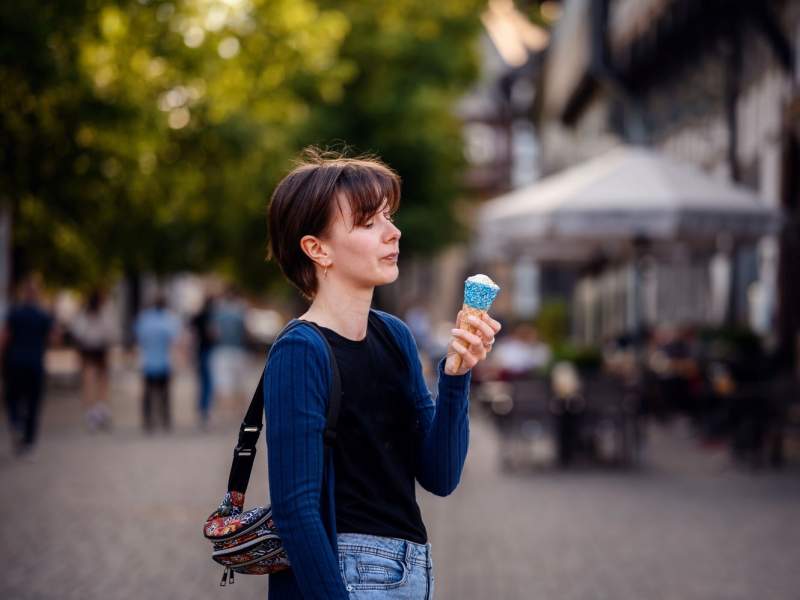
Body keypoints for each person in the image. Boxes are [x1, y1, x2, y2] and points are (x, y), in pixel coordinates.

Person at [263, 149, 500, 599]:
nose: (394, 233)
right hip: (344, 574)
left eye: (389, 218)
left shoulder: (395, 337)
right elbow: (296, 510)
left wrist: (457, 375)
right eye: (369, 223)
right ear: (318, 249)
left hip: (411, 571)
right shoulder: (300, 351)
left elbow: (441, 474)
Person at [0, 276, 56, 456]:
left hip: (15, 362)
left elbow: (4, 339)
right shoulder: (43, 315)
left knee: (13, 398)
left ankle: (16, 422)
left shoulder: (14, 313)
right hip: (35, 363)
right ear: (37, 294)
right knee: (33, 402)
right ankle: (29, 441)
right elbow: (54, 338)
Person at [134, 294, 181, 432]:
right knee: (164, 395)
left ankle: (148, 421)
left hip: (148, 362)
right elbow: (175, 340)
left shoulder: (144, 319)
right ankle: (165, 420)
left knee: (148, 394)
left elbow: (139, 337)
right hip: (164, 362)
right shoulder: (169, 319)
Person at [71, 290, 114, 431]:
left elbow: (78, 332)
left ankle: (93, 413)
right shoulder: (103, 314)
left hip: (89, 349)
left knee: (89, 382)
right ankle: (100, 411)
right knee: (101, 382)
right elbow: (110, 332)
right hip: (98, 349)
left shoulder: (84, 315)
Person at [211, 288, 248, 410]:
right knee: (239, 384)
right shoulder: (241, 311)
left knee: (222, 386)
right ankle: (238, 411)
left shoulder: (218, 313)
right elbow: (245, 332)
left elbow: (214, 333)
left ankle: (224, 412)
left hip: (222, 351)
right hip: (238, 350)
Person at [191, 295, 217, 428]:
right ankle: (205, 410)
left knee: (202, 382)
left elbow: (191, 330)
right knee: (208, 383)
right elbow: (211, 334)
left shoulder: (199, 315)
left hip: (200, 351)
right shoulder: (210, 316)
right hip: (208, 351)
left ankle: (202, 408)